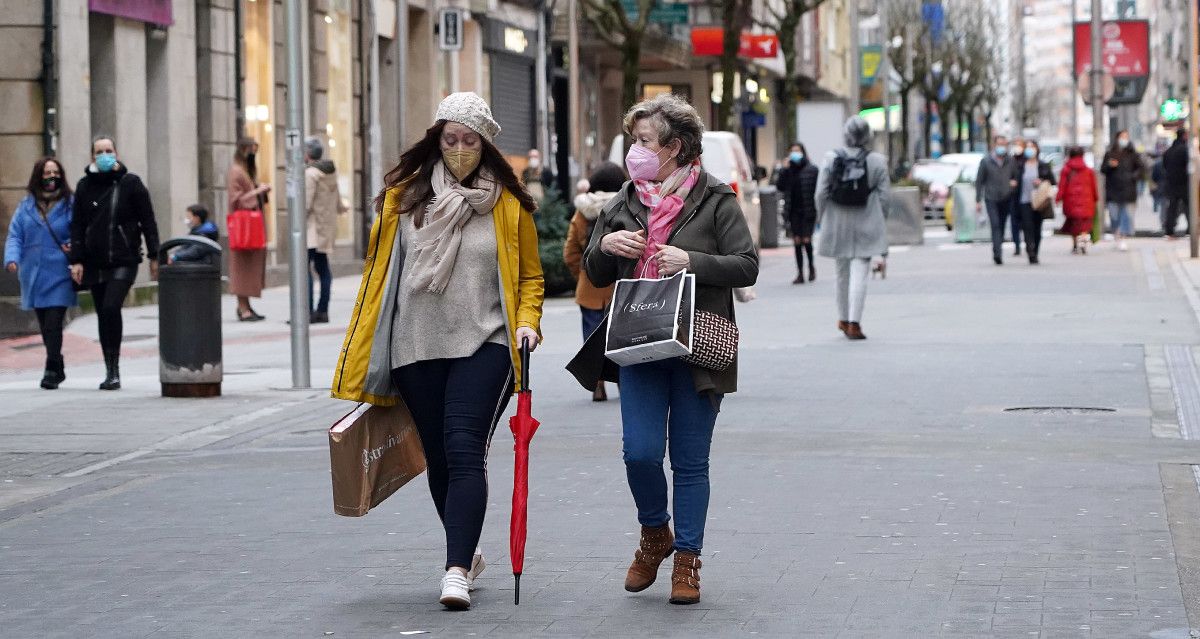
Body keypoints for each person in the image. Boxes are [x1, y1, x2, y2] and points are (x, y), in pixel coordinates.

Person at [330, 92, 543, 611]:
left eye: (471, 140)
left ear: (486, 143)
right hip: (415, 346)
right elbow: (381, 275)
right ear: (436, 140)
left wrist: (526, 323)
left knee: (465, 448)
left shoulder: (506, 205)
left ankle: (454, 572)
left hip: (486, 341)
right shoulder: (404, 199)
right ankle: (466, 551)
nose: (460, 149)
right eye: (451, 139)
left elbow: (530, 278)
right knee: (441, 459)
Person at [579, 93, 759, 606]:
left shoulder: (716, 197)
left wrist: (693, 260)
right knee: (638, 453)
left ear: (674, 147)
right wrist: (606, 246)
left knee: (690, 460)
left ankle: (687, 559)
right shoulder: (624, 201)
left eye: (643, 141)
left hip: (698, 346)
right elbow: (593, 270)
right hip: (639, 343)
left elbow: (746, 265)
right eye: (634, 140)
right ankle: (654, 531)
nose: (635, 151)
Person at [69, 136, 159, 391]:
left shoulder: (131, 183)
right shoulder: (85, 186)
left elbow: (148, 221)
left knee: (111, 307)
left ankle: (115, 367)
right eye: (99, 152)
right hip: (94, 260)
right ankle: (110, 369)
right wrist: (76, 259)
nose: (105, 155)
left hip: (125, 257)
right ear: (92, 157)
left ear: (116, 153)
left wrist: (155, 255)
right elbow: (77, 225)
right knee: (102, 314)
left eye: (109, 150)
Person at [4, 157, 76, 389]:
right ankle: (57, 362)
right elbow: (15, 234)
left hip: (59, 272)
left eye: (55, 172)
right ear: (38, 176)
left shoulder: (70, 203)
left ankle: (51, 368)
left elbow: (80, 230)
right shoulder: (26, 206)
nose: (51, 177)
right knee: (45, 323)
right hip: (33, 273)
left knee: (54, 321)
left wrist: (73, 245)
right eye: (46, 173)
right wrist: (12, 258)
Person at [815, 116, 890, 341]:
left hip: (837, 223)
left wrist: (822, 218)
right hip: (866, 222)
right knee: (860, 273)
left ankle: (843, 318)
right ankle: (855, 324)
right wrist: (880, 219)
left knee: (841, 273)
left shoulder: (831, 158)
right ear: (868, 136)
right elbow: (885, 197)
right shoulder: (877, 161)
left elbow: (820, 193)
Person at [565, 161, 624, 402]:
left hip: (589, 286)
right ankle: (623, 381)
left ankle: (597, 383)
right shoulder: (625, 206)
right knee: (621, 336)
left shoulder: (582, 211)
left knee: (591, 337)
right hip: (620, 287)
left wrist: (582, 275)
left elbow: (570, 252)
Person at [227, 137, 271, 321]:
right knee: (242, 267)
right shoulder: (236, 172)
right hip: (244, 228)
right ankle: (242, 307)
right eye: (252, 150)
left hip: (253, 226)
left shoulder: (244, 171)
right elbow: (236, 200)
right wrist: (258, 191)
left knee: (250, 266)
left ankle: (246, 306)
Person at [304, 136, 348, 324]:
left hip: (311, 230)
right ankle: (323, 311)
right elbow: (338, 201)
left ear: (306, 154)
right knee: (323, 270)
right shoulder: (330, 172)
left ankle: (306, 311)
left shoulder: (310, 174)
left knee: (303, 270)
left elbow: (305, 204)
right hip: (325, 229)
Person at [776, 141, 819, 284]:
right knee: (797, 241)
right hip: (793, 210)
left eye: (797, 151)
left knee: (807, 240)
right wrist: (783, 169)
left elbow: (817, 190)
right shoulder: (788, 171)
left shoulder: (812, 170)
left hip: (808, 210)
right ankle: (800, 273)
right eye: (792, 151)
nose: (795, 154)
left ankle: (811, 267)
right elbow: (780, 187)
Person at [976, 135, 1019, 265]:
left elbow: (1016, 176)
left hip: (1006, 197)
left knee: (1001, 224)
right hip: (991, 198)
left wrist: (1014, 183)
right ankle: (997, 252)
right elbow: (979, 181)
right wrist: (977, 200)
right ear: (994, 145)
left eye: (1004, 144)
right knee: (995, 224)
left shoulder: (1010, 161)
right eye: (1000, 144)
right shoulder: (986, 161)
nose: (1002, 147)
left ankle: (998, 248)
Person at [1100, 130, 1145, 251]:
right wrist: (1110, 165)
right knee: (1114, 215)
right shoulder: (1110, 153)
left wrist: (1133, 177)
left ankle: (1123, 236)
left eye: (1126, 137)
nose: (1124, 139)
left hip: (1128, 188)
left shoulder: (1133, 154)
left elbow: (1141, 168)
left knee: (1126, 215)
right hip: (1113, 189)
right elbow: (1103, 169)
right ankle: (1117, 233)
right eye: (1122, 137)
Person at [1014, 140, 1056, 264]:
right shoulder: (1020, 165)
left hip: (1039, 202)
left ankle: (1035, 251)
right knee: (1027, 227)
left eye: (1032, 147)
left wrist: (1041, 181)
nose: (1030, 149)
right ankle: (1030, 250)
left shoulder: (1043, 165)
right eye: (1027, 147)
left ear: (1037, 149)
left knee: (1037, 228)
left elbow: (1052, 181)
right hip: (1024, 200)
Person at [1056, 146, 1098, 255]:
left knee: (1074, 224)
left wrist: (1058, 198)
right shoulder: (1089, 170)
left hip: (1071, 201)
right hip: (1087, 200)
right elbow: (1094, 187)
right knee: (1084, 224)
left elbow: (1062, 186)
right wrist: (1095, 198)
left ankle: (1075, 245)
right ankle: (1083, 242)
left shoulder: (1066, 170)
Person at [1163, 129, 1190, 239]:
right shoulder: (1185, 150)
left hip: (1171, 184)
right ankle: (1191, 230)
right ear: (1184, 136)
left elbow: (1164, 166)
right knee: (1188, 207)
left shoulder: (1168, 151)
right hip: (1183, 183)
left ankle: (1169, 230)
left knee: (1172, 208)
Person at [1008, 137, 1027, 256]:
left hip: (1026, 195)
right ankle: (1017, 245)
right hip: (1013, 195)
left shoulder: (1028, 160)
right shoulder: (1010, 160)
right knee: (1014, 222)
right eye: (1015, 144)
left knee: (1026, 222)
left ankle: (1029, 243)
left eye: (1019, 144)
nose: (1017, 147)